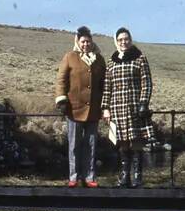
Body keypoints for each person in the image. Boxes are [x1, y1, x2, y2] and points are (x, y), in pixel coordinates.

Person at [101, 27, 154, 187]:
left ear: (130, 40)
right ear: (116, 41)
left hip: (135, 108)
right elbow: (107, 86)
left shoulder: (140, 58)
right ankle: (125, 175)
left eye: (126, 39)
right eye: (120, 40)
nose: (123, 42)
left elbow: (147, 82)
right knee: (122, 142)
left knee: (136, 140)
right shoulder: (112, 61)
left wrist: (143, 102)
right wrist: (105, 108)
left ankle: (137, 175)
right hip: (117, 107)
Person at [55, 26, 106, 187]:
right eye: (83, 41)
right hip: (74, 109)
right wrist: (62, 100)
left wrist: (105, 106)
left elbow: (104, 84)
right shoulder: (69, 57)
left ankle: (89, 177)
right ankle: (74, 177)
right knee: (74, 145)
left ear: (92, 42)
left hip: (93, 110)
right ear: (78, 42)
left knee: (91, 145)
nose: (86, 44)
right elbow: (61, 80)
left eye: (88, 41)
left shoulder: (99, 59)